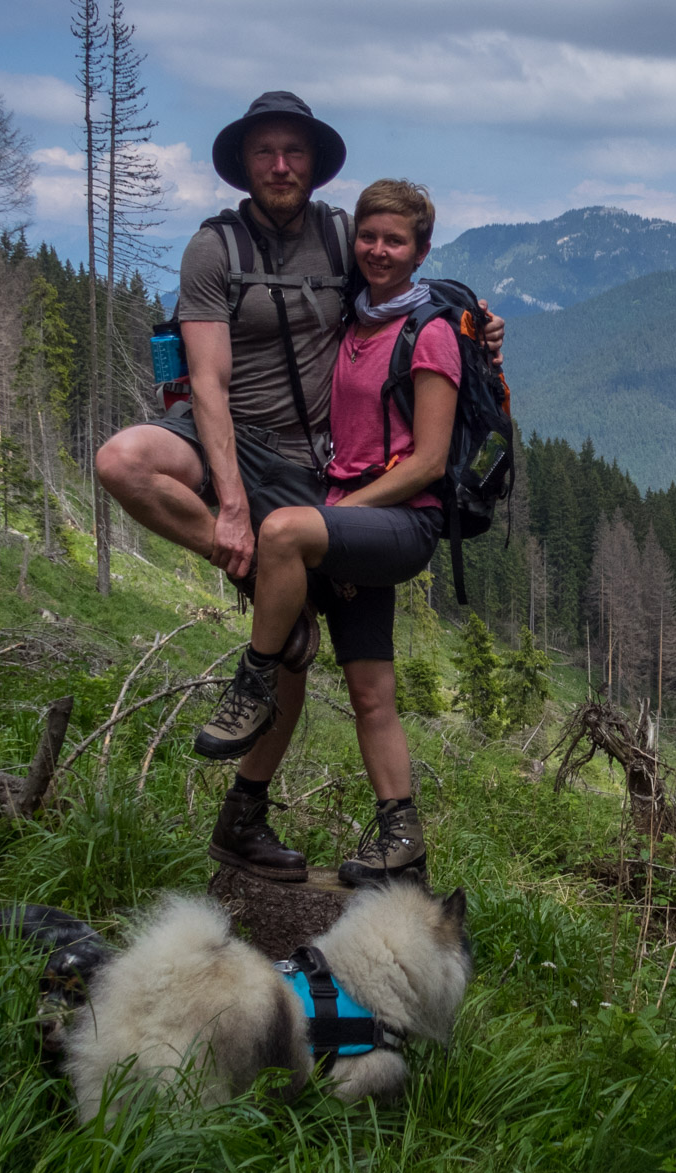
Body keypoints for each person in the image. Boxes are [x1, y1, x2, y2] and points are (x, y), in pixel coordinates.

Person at [94, 93, 499, 885]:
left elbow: (402, 284)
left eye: (295, 153)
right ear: (244, 163)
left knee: (325, 670)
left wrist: (479, 322)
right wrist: (234, 512)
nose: (281, 166)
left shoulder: (343, 237)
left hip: (325, 475)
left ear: (315, 164)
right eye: (265, 153)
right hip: (236, 446)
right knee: (122, 460)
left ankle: (248, 820)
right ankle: (256, 589)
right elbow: (204, 379)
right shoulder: (214, 249)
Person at [236, 178, 456, 886]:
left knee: (281, 533)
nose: (379, 251)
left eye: (396, 240)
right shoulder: (353, 320)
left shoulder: (432, 333)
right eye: (369, 236)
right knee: (368, 690)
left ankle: (249, 681)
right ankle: (396, 842)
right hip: (349, 522)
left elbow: (428, 461)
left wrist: (345, 512)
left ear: (420, 251)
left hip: (396, 523)